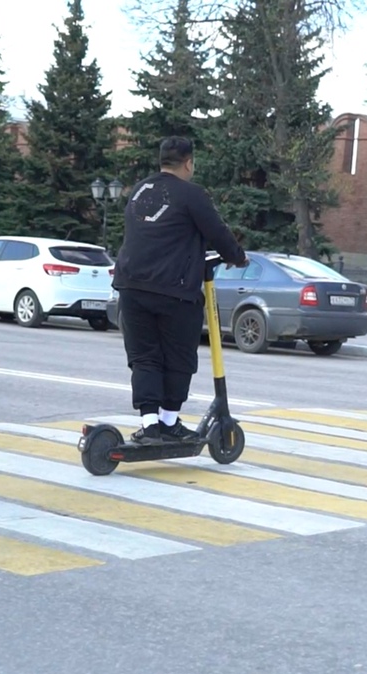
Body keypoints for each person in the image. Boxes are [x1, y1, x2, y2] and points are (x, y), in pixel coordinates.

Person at [113, 136, 248, 445]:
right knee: (179, 357)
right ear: (189, 163)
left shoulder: (139, 190)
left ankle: (149, 426)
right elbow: (217, 232)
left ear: (162, 161)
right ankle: (169, 422)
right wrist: (237, 257)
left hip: (130, 286)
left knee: (144, 357)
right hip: (174, 290)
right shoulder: (191, 194)